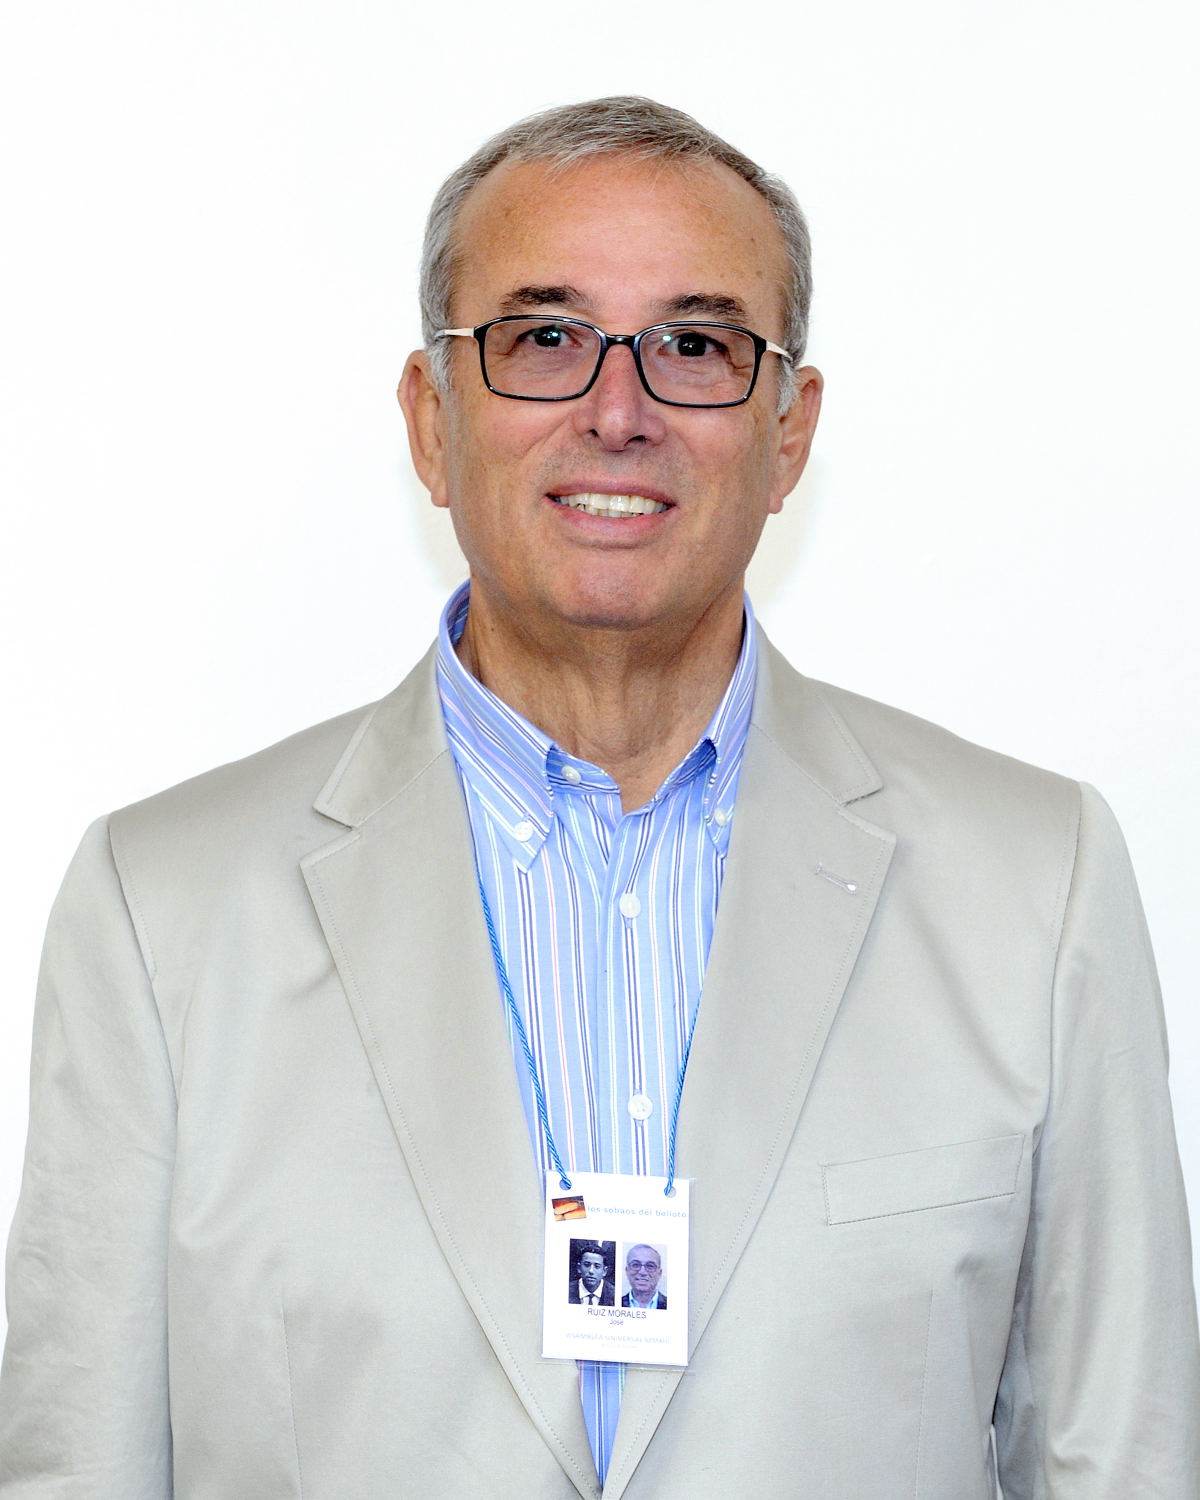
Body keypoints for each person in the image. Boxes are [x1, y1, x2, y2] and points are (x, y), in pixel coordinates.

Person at [1, 95, 1198, 1500]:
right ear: (432, 421)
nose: (618, 412)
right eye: (545, 339)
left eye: (695, 345)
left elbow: (1122, 1461)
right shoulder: (162, 913)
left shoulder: (1034, 888)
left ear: (789, 433)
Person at [620, 1246, 666, 1311]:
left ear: (659, 1273)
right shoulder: (614, 1302)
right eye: (636, 1265)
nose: (642, 1272)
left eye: (650, 1266)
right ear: (627, 1271)